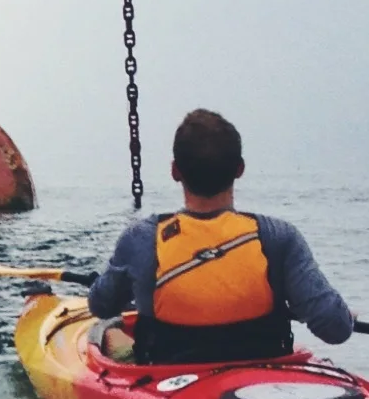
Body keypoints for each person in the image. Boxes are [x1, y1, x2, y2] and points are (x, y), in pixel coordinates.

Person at [85, 109, 353, 364]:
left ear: (175, 171)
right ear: (240, 169)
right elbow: (335, 329)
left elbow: (101, 304)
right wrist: (345, 317)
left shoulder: (142, 239)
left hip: (165, 374)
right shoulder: (278, 238)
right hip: (261, 375)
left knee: (104, 328)